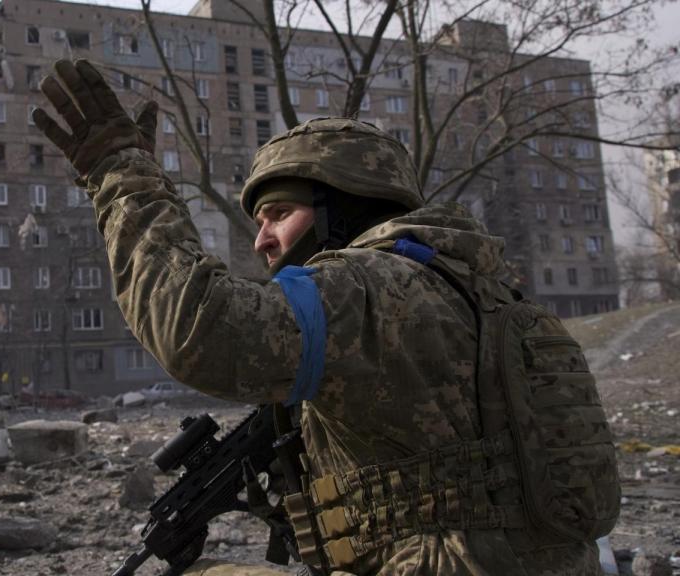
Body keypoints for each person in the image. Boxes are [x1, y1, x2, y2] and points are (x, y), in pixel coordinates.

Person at [34, 59, 611, 576]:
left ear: (346, 208)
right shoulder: (485, 293)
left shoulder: (367, 287)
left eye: (279, 214)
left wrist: (121, 173)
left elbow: (199, 330)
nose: (262, 241)